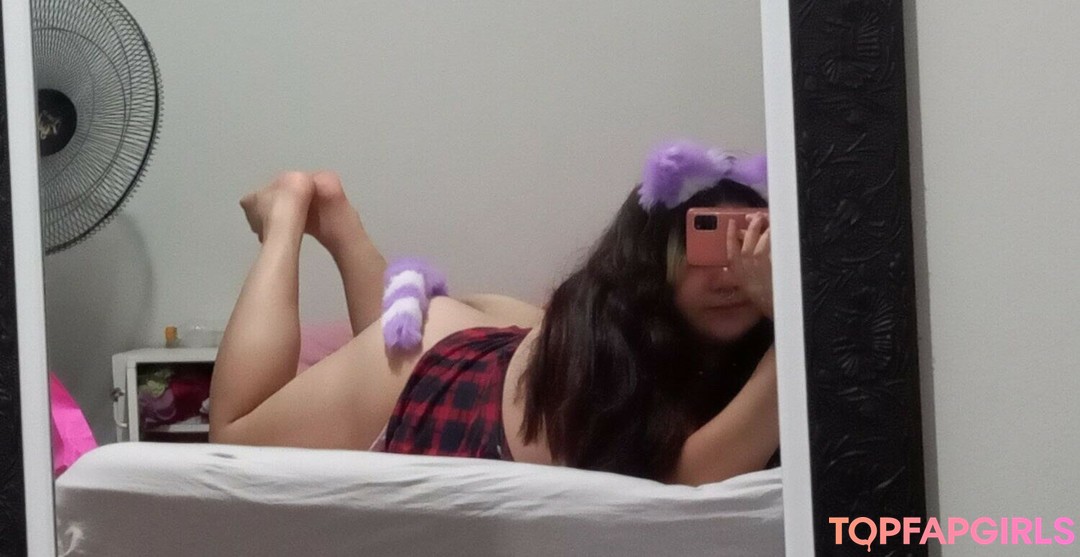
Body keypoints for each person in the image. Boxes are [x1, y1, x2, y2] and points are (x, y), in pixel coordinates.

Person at [208, 142, 780, 486]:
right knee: (235, 438)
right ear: (651, 261)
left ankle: (339, 222)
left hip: (500, 345)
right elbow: (689, 479)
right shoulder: (618, 348)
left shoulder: (725, 340)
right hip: (439, 375)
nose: (730, 276)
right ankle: (287, 213)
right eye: (705, 245)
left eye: (749, 247)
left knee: (409, 330)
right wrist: (794, 326)